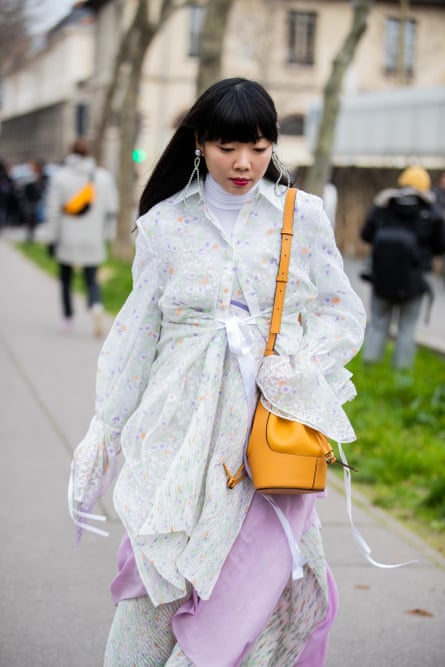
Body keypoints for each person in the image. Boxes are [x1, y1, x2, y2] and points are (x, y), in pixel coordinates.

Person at [68, 78, 366, 666]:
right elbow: (138, 335)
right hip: (178, 426)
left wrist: (298, 368)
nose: (245, 162)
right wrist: (105, 430)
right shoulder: (164, 224)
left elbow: (340, 310)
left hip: (266, 428)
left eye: (259, 146)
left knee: (266, 577)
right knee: (166, 566)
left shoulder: (299, 216)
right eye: (229, 146)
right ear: (200, 141)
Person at [360, 166, 445, 369]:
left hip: (381, 277)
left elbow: (366, 234)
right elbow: (441, 246)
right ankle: (402, 373)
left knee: (378, 322)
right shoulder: (432, 212)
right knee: (407, 327)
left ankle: (369, 367)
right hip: (414, 280)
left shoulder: (384, 204)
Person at [44, 138, 118, 336]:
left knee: (65, 278)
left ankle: (67, 318)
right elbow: (112, 208)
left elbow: (53, 211)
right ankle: (95, 305)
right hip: (93, 237)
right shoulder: (103, 177)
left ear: (70, 153)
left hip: (67, 237)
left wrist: (51, 239)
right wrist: (106, 236)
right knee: (91, 279)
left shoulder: (60, 177)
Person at [23, 158, 48, 242]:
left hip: (40, 201)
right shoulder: (30, 176)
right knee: (31, 220)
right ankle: (30, 237)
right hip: (31, 201)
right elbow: (27, 190)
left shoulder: (44, 177)